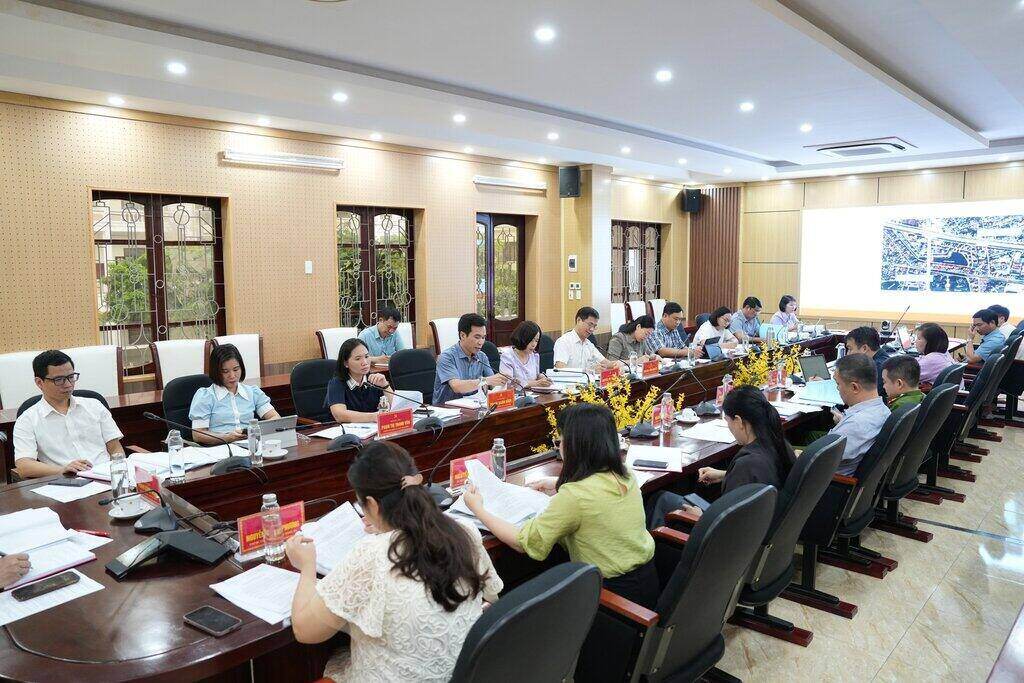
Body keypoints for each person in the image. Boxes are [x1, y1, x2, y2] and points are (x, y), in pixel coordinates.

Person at [285, 441, 502, 682]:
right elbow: (492, 594)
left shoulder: (371, 553)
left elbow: (304, 631)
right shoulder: (464, 531)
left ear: (374, 505)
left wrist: (307, 567)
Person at [462, 403, 658, 608]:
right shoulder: (625, 473)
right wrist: (557, 484)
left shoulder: (575, 496)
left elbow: (523, 542)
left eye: (561, 440)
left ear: (575, 446)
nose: (559, 445)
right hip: (646, 581)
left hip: (612, 601)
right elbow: (595, 496)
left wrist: (478, 509)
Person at [647, 386, 796, 527]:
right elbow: (760, 481)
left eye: (728, 421)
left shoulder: (747, 464)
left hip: (722, 542)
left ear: (738, 421)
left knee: (660, 499)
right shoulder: (779, 444)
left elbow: (729, 527)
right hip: (758, 533)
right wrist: (726, 475)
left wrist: (700, 517)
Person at [13, 350, 126, 479]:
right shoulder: (27, 419)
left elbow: (116, 449)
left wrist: (118, 475)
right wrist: (63, 469)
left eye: (71, 377)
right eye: (59, 380)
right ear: (39, 382)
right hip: (66, 483)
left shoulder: (95, 406)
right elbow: (24, 466)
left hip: (106, 478)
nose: (68, 385)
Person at [188, 344, 280, 444]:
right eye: (225, 371)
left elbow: (275, 418)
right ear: (215, 372)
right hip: (221, 448)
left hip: (251, 446)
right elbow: (198, 434)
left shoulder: (253, 392)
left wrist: (254, 430)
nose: (232, 376)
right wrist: (227, 438)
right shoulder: (205, 396)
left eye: (236, 369)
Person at [827, 354, 890, 476]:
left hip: (827, 485)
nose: (837, 389)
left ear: (854, 387)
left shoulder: (855, 424)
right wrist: (844, 422)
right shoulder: (883, 410)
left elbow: (818, 461)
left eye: (838, 384)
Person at [432, 313, 504, 404]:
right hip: (448, 410)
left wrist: (505, 382)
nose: (481, 342)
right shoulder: (446, 357)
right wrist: (485, 381)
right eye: (477, 337)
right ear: (462, 335)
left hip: (474, 406)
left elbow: (492, 384)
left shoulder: (482, 356)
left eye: (483, 337)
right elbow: (457, 386)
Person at [326, 338, 392, 423]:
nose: (364, 362)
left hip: (372, 430)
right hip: (345, 432)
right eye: (358, 359)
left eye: (367, 356)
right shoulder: (337, 383)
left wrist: (385, 386)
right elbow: (340, 415)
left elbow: (396, 408)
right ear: (346, 363)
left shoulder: (374, 380)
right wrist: (373, 417)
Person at [552, 306, 618, 371]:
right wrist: (589, 370)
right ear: (579, 320)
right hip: (569, 381)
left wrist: (618, 365)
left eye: (594, 326)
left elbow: (606, 363)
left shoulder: (588, 344)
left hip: (588, 381)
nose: (592, 329)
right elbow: (560, 369)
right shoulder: (564, 341)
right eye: (590, 324)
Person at [498, 320, 553, 390]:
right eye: (531, 340)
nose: (534, 344)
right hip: (516, 396)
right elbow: (509, 383)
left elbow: (536, 375)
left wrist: (542, 377)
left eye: (536, 341)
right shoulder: (507, 356)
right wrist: (536, 383)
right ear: (522, 338)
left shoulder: (534, 355)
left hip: (536, 394)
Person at [845, 326, 890, 397]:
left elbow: (860, 396)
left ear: (864, 348)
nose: (848, 354)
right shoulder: (882, 359)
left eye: (850, 349)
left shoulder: (876, 368)